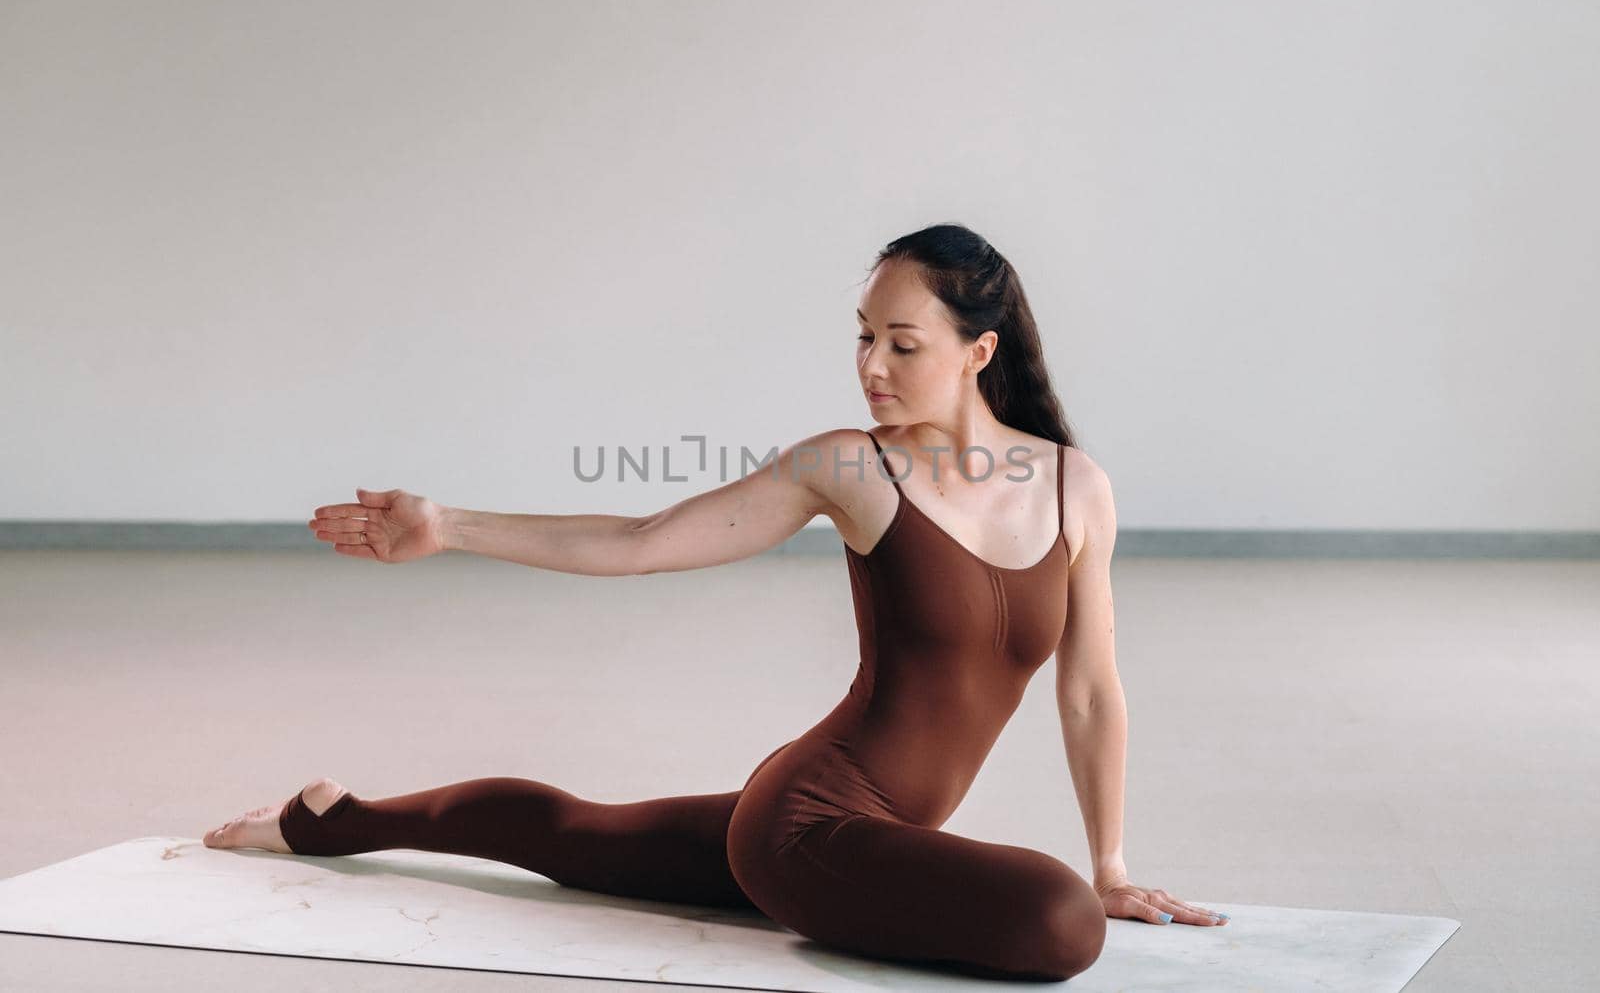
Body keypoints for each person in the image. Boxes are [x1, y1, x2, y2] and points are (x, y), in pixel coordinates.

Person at [204, 223, 1227, 982]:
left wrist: (1109, 861)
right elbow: (643, 541)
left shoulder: (1073, 486)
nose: (870, 365)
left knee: (581, 835)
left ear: (980, 350)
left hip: (858, 829)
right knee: (1054, 922)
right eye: (861, 336)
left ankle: (334, 820)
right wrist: (449, 523)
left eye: (901, 344)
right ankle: (334, 825)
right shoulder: (849, 468)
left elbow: (1090, 690)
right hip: (804, 819)